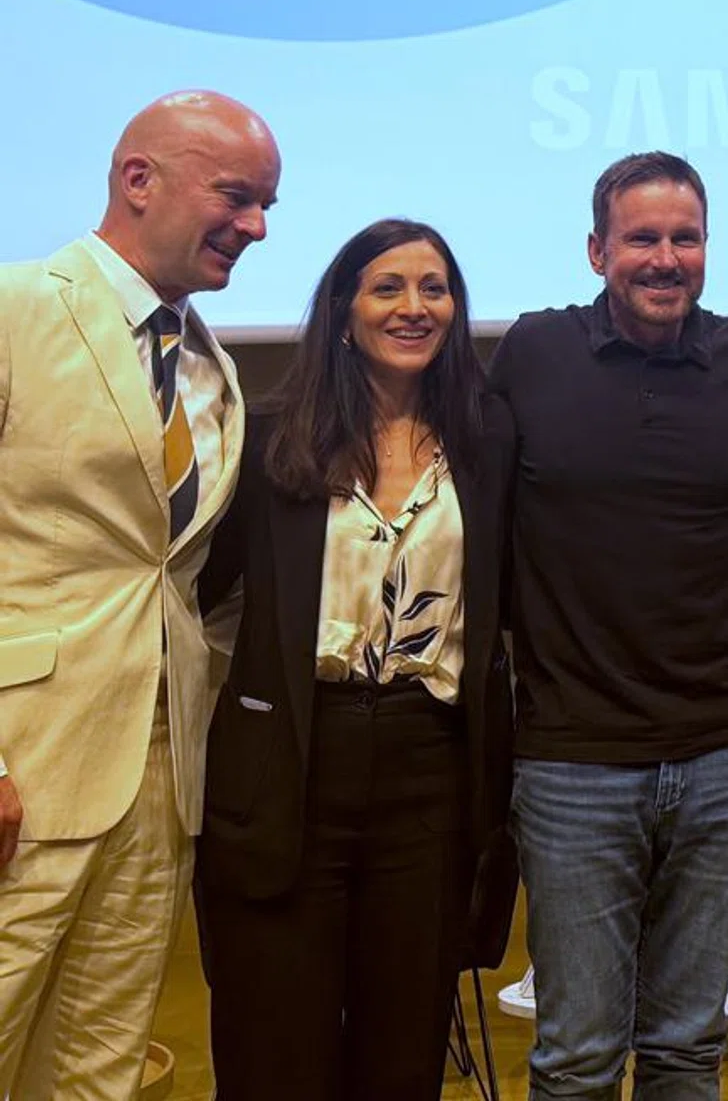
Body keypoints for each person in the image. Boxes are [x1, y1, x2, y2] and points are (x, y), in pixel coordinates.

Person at [194, 218, 518, 1099]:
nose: (415, 307)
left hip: (432, 776)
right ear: (343, 311)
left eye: (435, 288)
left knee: (400, 1059)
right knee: (273, 1055)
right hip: (291, 770)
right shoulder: (268, 444)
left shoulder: (489, 444)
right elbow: (185, 594)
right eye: (388, 288)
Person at [488, 152, 728, 1099]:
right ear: (596, 250)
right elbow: (491, 535)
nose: (666, 258)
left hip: (726, 757)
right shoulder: (533, 355)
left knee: (689, 1044)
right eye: (643, 238)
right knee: (576, 1055)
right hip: (574, 762)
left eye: (685, 238)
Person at [0, 91, 278, 1099]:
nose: (257, 226)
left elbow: (190, 578)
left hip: (162, 781)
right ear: (138, 179)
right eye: (239, 196)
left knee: (100, 1068)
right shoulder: (17, 304)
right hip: (21, 772)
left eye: (266, 207)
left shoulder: (213, 366)